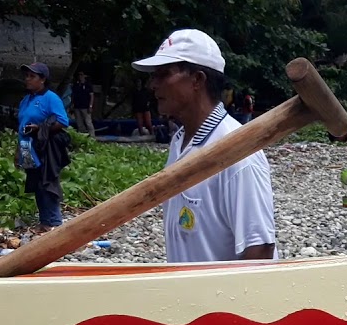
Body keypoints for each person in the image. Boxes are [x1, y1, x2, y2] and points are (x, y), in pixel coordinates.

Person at [132, 29, 277, 262]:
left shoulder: (238, 154)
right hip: (185, 295)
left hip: (220, 298)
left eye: (163, 74)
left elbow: (259, 251)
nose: (153, 85)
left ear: (197, 80)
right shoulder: (179, 142)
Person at [16, 62, 71, 229]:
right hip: (26, 147)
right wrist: (17, 151)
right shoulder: (26, 100)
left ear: (42, 79)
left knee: (47, 183)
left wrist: (40, 128)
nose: (28, 79)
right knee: (35, 183)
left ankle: (54, 222)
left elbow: (63, 122)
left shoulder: (50, 98)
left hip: (43, 147)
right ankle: (44, 221)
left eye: (32, 76)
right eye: (27, 76)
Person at [71, 70, 96, 136]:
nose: (80, 76)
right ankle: (82, 135)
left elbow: (92, 96)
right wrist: (72, 104)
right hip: (77, 106)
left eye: (81, 75)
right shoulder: (75, 85)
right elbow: (73, 95)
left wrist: (90, 106)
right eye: (79, 75)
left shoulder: (88, 85)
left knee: (88, 122)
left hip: (85, 106)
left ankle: (92, 136)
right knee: (79, 123)